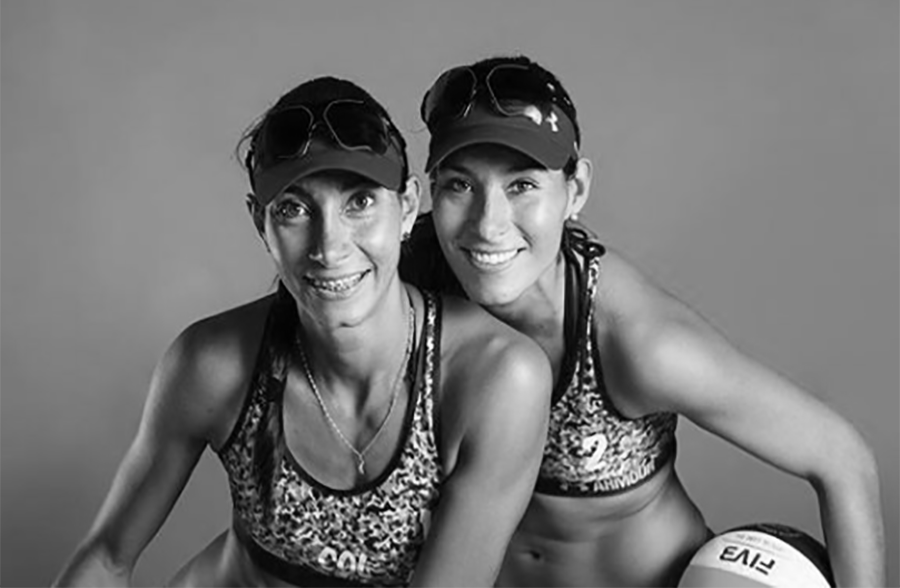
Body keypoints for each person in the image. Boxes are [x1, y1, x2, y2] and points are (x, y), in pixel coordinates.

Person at [400, 55, 885, 588]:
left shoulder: (637, 341)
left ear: (575, 191)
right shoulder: (413, 283)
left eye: (522, 186)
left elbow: (842, 458)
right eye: (460, 186)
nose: (488, 224)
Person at [53, 76, 552, 588]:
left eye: (360, 202)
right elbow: (107, 559)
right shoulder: (216, 364)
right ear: (260, 223)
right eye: (293, 209)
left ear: (406, 207)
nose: (329, 248)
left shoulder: (496, 377)